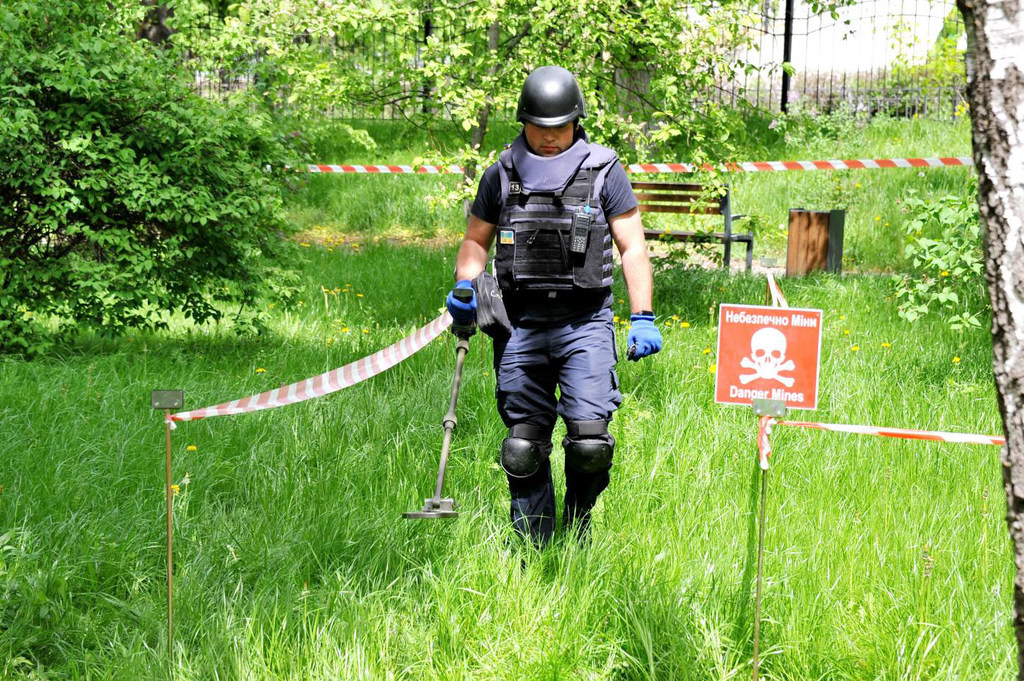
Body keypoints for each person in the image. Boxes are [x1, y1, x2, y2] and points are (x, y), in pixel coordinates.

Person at [446, 65, 662, 546]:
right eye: (540, 128)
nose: (549, 138)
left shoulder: (604, 170)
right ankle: (533, 545)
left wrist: (642, 315)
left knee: (589, 444)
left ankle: (579, 523)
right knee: (524, 446)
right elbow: (475, 243)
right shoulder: (500, 175)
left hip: (584, 322)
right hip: (518, 324)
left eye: (559, 128)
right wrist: (466, 286)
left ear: (576, 121)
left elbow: (633, 246)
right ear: (524, 122)